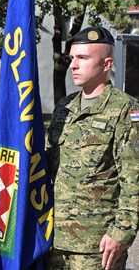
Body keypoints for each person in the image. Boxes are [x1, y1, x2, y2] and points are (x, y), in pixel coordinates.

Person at [47, 26, 139, 270]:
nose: (73, 65)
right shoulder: (64, 107)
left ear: (106, 64)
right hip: (53, 240)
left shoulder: (125, 110)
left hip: (96, 247)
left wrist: (122, 233)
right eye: (72, 58)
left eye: (83, 58)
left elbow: (134, 180)